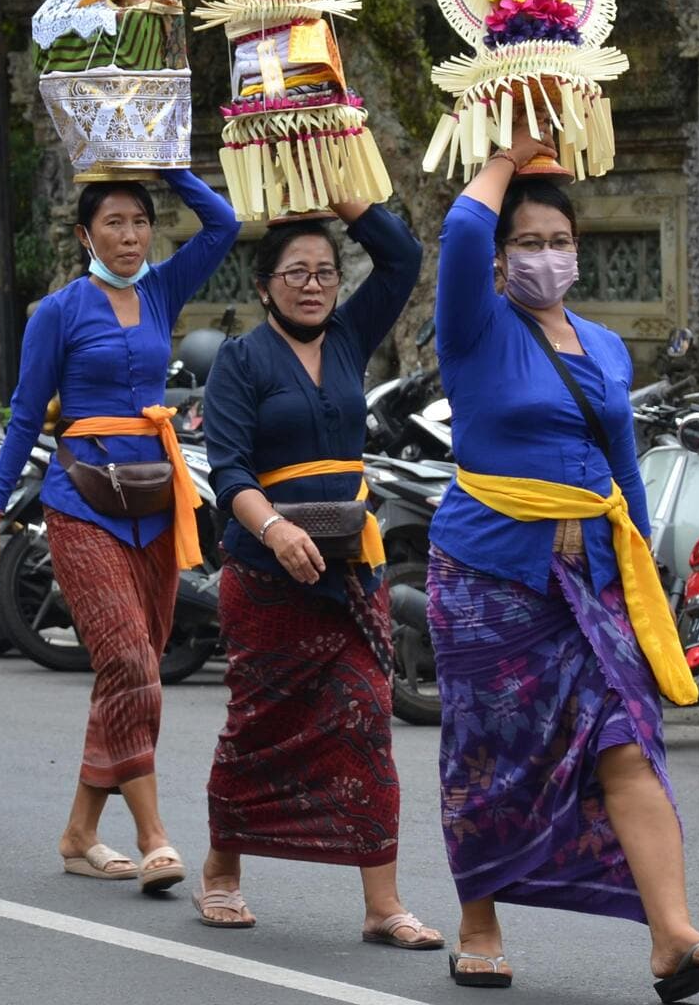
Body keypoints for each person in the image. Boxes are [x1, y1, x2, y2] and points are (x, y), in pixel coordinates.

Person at [431, 123, 699, 999]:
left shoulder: (605, 348)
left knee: (629, 743)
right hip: (487, 578)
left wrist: (644, 569)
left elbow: (621, 465)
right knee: (489, 755)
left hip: (594, 583)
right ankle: (479, 919)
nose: (547, 255)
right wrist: (508, 156)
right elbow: (461, 233)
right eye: (529, 242)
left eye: (561, 241)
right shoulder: (473, 328)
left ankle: (673, 937)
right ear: (501, 260)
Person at [0, 169, 239, 892]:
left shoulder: (161, 291)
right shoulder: (58, 310)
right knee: (132, 664)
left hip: (153, 506)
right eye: (113, 223)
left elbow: (224, 227)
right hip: (80, 503)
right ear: (86, 235)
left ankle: (80, 832)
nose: (129, 236)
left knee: (128, 670)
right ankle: (153, 835)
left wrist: (167, 165)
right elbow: (25, 418)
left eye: (140, 221)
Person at [194, 203, 436, 945]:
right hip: (268, 576)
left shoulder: (349, 338)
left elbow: (401, 259)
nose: (313, 285)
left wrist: (347, 203)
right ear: (264, 287)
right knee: (259, 727)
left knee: (367, 717)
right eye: (295, 272)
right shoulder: (240, 360)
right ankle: (222, 874)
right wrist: (274, 526)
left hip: (348, 573)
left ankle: (382, 904)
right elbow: (231, 467)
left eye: (324, 272)